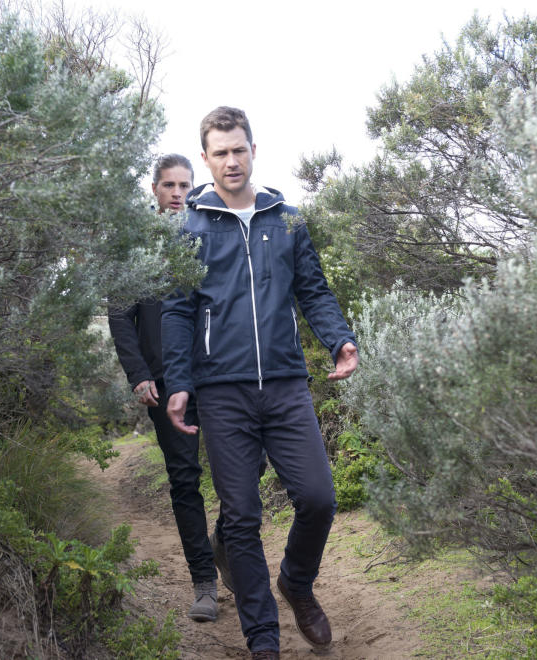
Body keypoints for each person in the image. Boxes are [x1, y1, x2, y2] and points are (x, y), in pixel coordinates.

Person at [162, 107, 359, 659]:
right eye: (220, 152)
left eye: (239, 149)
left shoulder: (287, 220)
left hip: (286, 383)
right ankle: (264, 640)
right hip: (221, 390)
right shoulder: (188, 227)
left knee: (319, 498)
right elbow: (177, 311)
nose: (231, 160)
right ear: (206, 158)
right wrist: (179, 381)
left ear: (253, 150)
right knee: (242, 516)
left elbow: (314, 291)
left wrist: (339, 338)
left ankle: (296, 581)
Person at [107, 154, 220, 622]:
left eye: (185, 185)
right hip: (164, 384)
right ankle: (205, 584)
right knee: (184, 478)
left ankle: (226, 543)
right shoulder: (135, 247)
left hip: (219, 376)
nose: (177, 193)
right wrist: (138, 375)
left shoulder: (208, 235)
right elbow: (119, 315)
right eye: (169, 185)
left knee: (251, 461)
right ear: (153, 189)